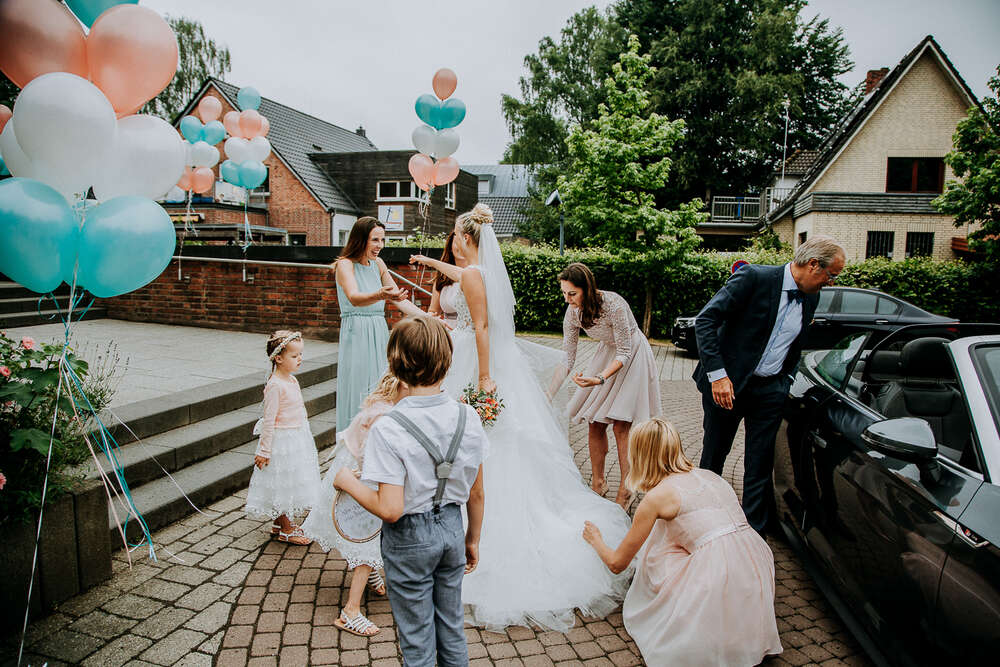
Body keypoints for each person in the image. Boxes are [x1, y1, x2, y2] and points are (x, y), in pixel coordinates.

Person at [410, 204, 632, 632]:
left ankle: (472, 528)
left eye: (456, 235)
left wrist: (486, 376)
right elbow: (461, 282)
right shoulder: (477, 272)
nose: (452, 240)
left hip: (478, 363)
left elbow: (479, 328)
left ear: (468, 238)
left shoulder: (475, 274)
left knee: (485, 445)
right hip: (471, 359)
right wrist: (426, 263)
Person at [334, 316, 488, 667]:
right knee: (451, 629)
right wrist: (471, 539)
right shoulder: (469, 417)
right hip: (452, 527)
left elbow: (390, 508)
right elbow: (476, 493)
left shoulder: (389, 428)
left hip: (408, 538)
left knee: (417, 639)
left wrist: (348, 482)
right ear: (446, 362)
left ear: (395, 364)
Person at [582, 417, 783, 666]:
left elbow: (616, 563)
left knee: (652, 552)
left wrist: (596, 540)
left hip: (718, 576)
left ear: (640, 455)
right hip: (755, 564)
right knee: (667, 534)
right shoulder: (710, 476)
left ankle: (692, 622)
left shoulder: (656, 498)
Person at [693, 235, 845, 535]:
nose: (831, 282)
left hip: (769, 391)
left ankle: (754, 537)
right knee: (714, 455)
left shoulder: (811, 296)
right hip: (727, 387)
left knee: (759, 464)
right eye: (831, 275)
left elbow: (793, 343)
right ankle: (702, 522)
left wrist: (784, 380)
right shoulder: (755, 277)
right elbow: (706, 320)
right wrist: (718, 376)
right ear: (813, 265)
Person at [301, 371, 408, 637]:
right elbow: (373, 458)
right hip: (359, 478)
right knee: (367, 541)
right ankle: (350, 611)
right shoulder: (384, 416)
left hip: (355, 472)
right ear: (403, 386)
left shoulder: (383, 407)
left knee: (370, 539)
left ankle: (370, 574)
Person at [556, 262, 661, 509]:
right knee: (595, 421)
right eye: (563, 293)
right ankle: (599, 483)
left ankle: (627, 488)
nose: (567, 300)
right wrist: (549, 392)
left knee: (621, 425)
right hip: (606, 355)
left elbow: (624, 350)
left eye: (572, 293)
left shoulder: (613, 304)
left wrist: (600, 378)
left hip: (632, 355)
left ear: (587, 289)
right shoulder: (573, 312)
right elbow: (567, 357)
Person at [334, 216, 424, 432]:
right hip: (357, 332)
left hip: (378, 331)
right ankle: (354, 440)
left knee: (382, 384)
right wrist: (380, 294)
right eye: (375, 240)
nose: (379, 246)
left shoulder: (379, 264)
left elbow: (399, 299)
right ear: (360, 239)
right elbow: (354, 297)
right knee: (358, 386)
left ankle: (380, 436)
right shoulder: (344, 265)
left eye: (382, 240)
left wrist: (428, 319)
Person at [244, 330, 322, 545]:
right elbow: (269, 420)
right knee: (284, 483)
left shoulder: (292, 380)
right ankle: (286, 529)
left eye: (300, 355)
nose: (300, 359)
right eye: (294, 356)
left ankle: (279, 523)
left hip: (297, 436)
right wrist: (264, 449)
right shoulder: (275, 385)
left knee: (291, 481)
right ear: (278, 358)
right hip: (282, 441)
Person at [425, 231, 464, 327]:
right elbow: (433, 310)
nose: (461, 247)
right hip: (448, 331)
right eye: (457, 243)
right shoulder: (442, 277)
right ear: (450, 247)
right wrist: (431, 317)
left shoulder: (478, 274)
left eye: (464, 243)